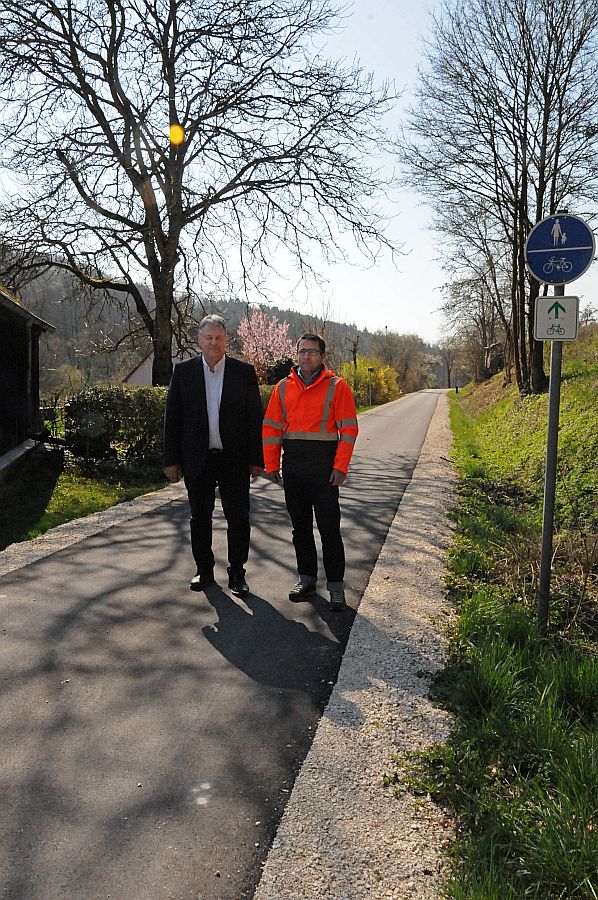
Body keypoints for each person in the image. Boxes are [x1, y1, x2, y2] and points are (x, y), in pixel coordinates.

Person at [163, 315, 264, 596]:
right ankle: (204, 570)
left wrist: (258, 458)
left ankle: (237, 572)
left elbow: (254, 418)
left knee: (239, 518)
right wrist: (171, 460)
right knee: (200, 517)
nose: (213, 342)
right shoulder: (183, 372)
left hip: (234, 459)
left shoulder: (243, 372)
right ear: (199, 340)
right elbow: (173, 418)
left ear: (226, 341)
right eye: (208, 337)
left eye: (218, 337)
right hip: (198, 459)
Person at [263, 333, 358, 611]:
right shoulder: (283, 388)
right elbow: (271, 428)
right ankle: (306, 579)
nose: (306, 356)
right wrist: (271, 464)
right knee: (300, 528)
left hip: (325, 470)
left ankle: (336, 588)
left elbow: (349, 429)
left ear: (323, 356)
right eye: (302, 351)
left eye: (312, 352)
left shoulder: (337, 387)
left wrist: (341, 466)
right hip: (293, 469)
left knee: (330, 529)